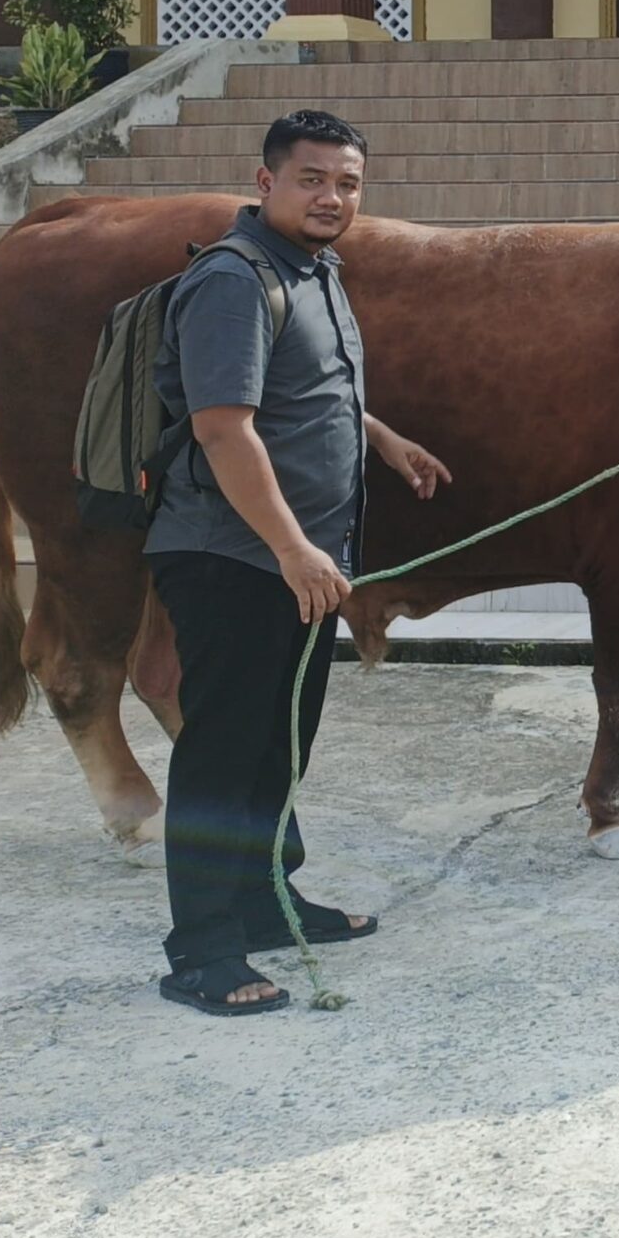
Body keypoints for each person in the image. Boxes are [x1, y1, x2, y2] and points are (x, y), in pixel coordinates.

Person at [146, 111, 451, 1015]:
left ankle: (265, 899)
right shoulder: (232, 282)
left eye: (348, 182)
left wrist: (387, 440)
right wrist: (289, 545)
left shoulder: (313, 273)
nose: (332, 197)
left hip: (302, 565)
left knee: (280, 743)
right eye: (312, 179)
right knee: (223, 750)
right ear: (266, 179)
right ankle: (200, 949)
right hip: (234, 557)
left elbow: (308, 392)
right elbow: (222, 425)